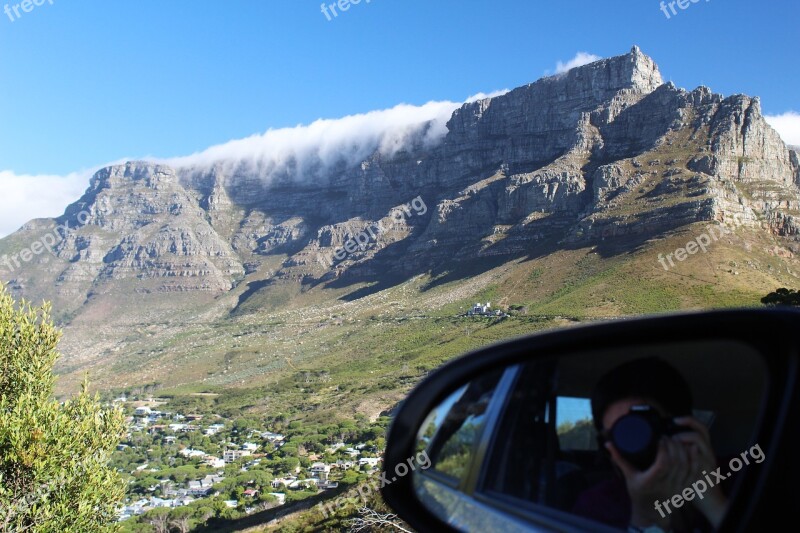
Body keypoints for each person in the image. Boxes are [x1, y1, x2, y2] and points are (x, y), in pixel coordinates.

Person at [572, 358, 729, 532]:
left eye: (641, 430)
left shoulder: (735, 474)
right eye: (619, 435)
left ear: (682, 428)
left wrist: (713, 501)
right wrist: (644, 517)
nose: (632, 446)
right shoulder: (597, 506)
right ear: (606, 445)